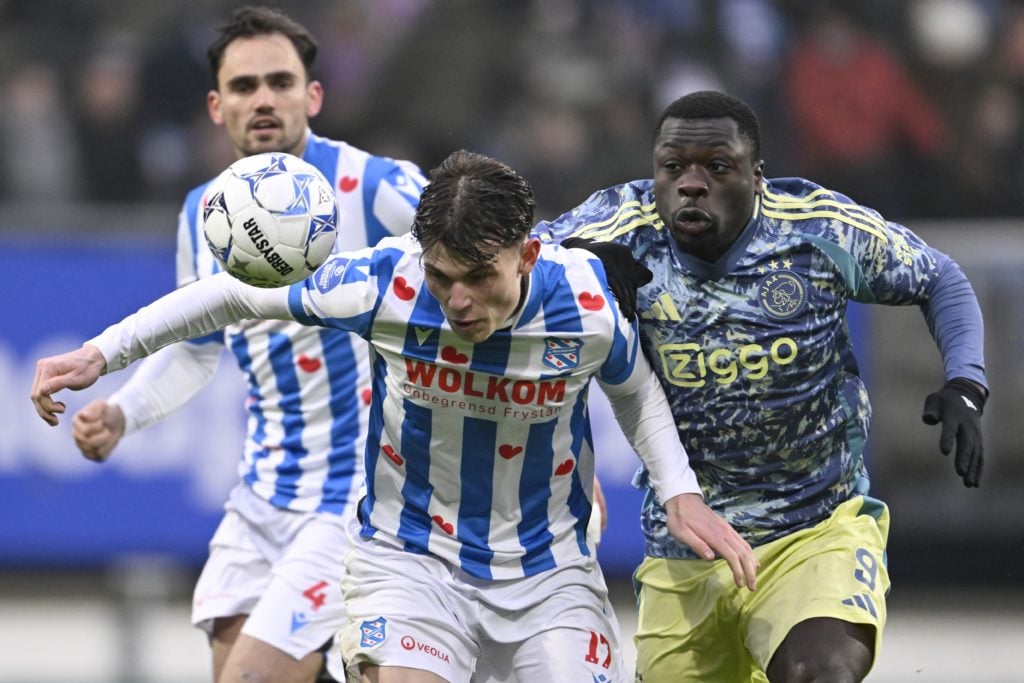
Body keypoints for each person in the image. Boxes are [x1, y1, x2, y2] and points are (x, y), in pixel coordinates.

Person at [32, 149, 759, 683]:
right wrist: (102, 352)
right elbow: (230, 295)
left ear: (528, 254)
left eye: (480, 277)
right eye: (443, 276)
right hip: (411, 558)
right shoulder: (382, 285)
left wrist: (680, 490)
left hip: (550, 572)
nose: (460, 300)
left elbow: (633, 390)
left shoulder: (588, 307)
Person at [536, 90, 988, 682]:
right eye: (673, 168)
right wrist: (574, 263)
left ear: (757, 176)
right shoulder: (616, 226)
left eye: (716, 168)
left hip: (815, 527)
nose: (691, 184)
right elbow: (505, 268)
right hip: (686, 548)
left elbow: (939, 278)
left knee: (819, 673)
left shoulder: (818, 230)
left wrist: (965, 383)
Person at [67, 6, 426, 683]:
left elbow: (491, 268)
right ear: (215, 104)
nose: (263, 99)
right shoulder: (205, 210)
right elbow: (199, 346)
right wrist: (124, 411)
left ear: (312, 95)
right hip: (261, 495)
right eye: (243, 86)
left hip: (355, 497)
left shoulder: (377, 187)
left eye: (280, 82)